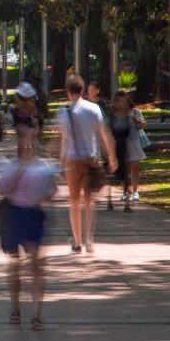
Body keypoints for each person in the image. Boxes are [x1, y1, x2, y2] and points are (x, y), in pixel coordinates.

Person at [0, 150, 58, 330]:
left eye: (31, 141)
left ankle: (36, 315)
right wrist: (20, 169)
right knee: (14, 264)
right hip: (14, 216)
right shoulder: (12, 165)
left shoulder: (43, 167)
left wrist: (44, 198)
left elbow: (52, 191)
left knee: (36, 265)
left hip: (34, 216)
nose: (27, 145)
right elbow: (3, 188)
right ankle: (15, 308)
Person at [57, 74, 117, 254]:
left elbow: (62, 139)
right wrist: (111, 157)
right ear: (82, 90)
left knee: (74, 200)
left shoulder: (63, 112)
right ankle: (90, 238)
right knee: (89, 201)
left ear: (68, 92)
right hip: (90, 159)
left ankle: (77, 242)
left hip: (71, 161)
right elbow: (103, 134)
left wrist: (61, 162)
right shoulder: (94, 109)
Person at [10, 81, 42, 159]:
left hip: (29, 122)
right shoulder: (15, 102)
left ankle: (27, 156)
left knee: (27, 141)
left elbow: (35, 113)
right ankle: (22, 157)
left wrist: (35, 118)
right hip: (20, 123)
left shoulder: (32, 102)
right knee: (22, 142)